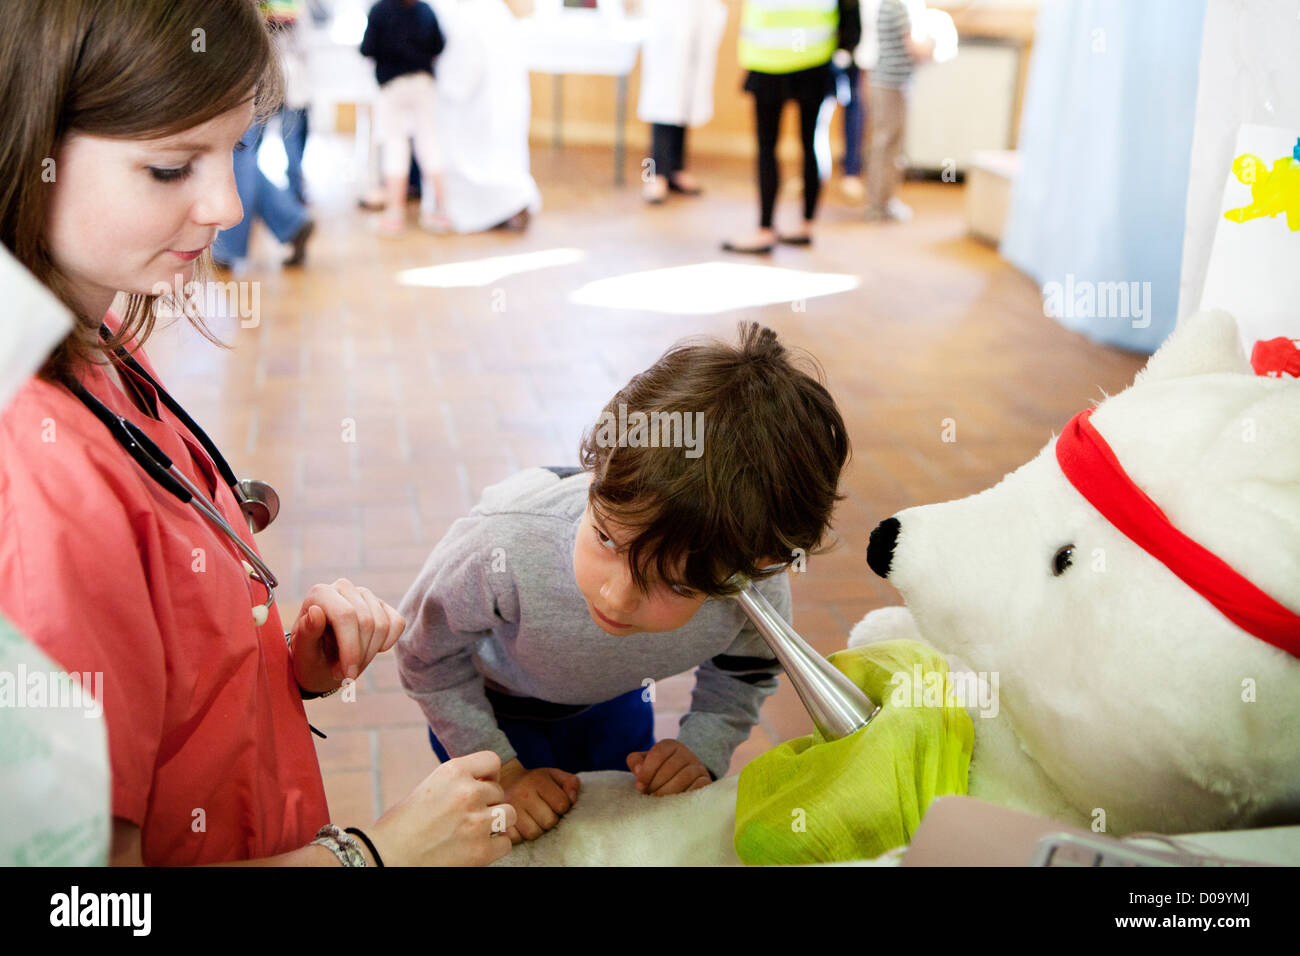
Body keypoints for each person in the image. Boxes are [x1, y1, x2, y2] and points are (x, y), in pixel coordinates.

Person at [0, 0, 514, 867]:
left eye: (234, 151)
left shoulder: (95, 343)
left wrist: (270, 662)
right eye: (170, 168)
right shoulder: (39, 484)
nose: (229, 206)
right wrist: (377, 857)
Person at [395, 324, 851, 842]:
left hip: (617, 705)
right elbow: (423, 654)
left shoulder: (749, 586)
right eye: (607, 539)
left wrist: (703, 746)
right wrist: (503, 768)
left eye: (675, 585)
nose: (615, 597)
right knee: (502, 842)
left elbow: (748, 670)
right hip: (488, 711)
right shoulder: (507, 540)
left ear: (761, 564)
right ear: (598, 470)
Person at [723, 0, 861, 253]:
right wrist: (845, 51)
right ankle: (806, 226)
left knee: (769, 147)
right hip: (812, 60)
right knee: (811, 144)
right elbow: (850, 12)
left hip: (770, 61)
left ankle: (765, 230)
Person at [429, 0, 541, 233]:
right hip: (499, 105)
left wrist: (440, 87)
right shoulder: (496, 11)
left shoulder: (467, 19)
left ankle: (499, 208)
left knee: (476, 163)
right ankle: (511, 204)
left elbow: (459, 79)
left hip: (475, 109)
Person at [361, 0, 448, 235]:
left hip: (392, 86)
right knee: (429, 142)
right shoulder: (425, 10)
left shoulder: (380, 10)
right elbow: (440, 45)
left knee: (395, 144)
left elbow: (367, 48)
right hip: (424, 83)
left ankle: (394, 214)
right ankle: (442, 211)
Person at [636, 0, 728, 205]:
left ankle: (676, 169)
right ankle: (655, 174)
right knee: (664, 99)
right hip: (667, 18)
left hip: (698, 16)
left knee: (686, 100)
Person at [864, 0, 934, 222]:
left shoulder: (890, 5)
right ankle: (880, 204)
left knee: (886, 143)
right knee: (888, 145)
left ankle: (881, 202)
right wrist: (935, 44)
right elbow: (914, 48)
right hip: (891, 84)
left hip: (888, 82)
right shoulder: (898, 6)